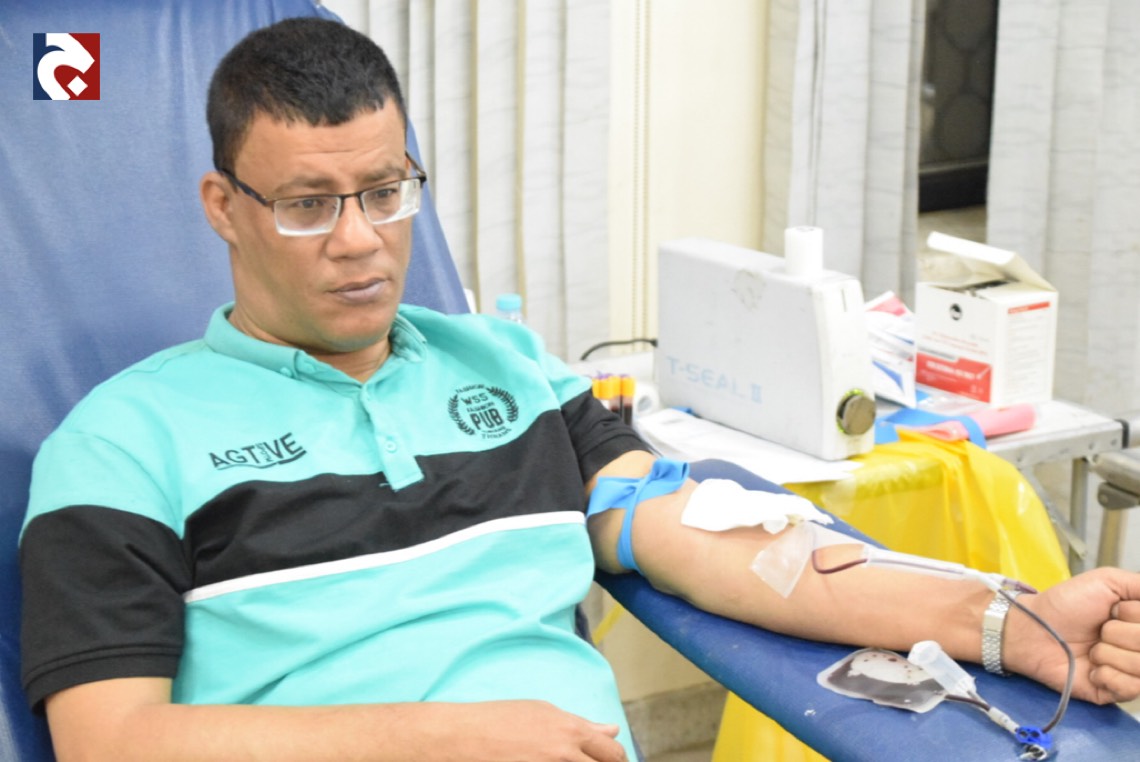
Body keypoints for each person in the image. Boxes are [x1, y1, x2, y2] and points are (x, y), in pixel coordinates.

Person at [18, 17, 1140, 762]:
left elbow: (723, 541)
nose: (360, 242)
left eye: (387, 191)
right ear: (224, 208)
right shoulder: (124, 442)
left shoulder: (511, 374)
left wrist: (1010, 621)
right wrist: (448, 739)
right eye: (309, 205)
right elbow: (109, 739)